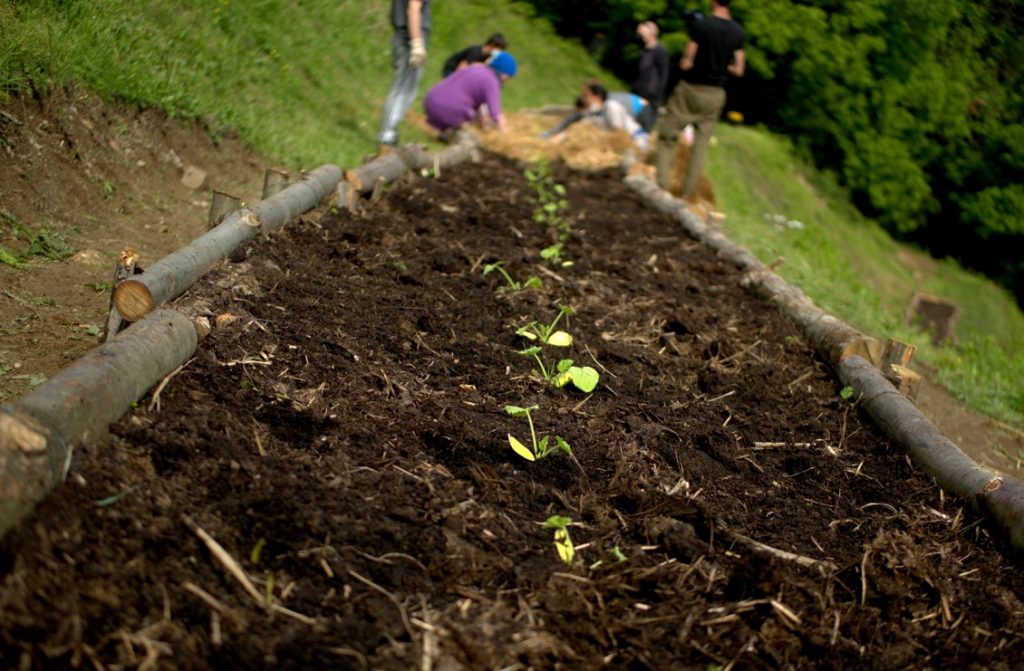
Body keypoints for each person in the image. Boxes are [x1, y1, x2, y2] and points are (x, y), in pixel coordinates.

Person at [653, 0, 744, 200]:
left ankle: (661, 188)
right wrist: (722, 67)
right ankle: (687, 195)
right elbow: (739, 69)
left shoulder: (701, 26)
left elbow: (686, 62)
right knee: (700, 146)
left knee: (667, 136)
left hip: (691, 89)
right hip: (716, 94)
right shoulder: (738, 32)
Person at [377, 0, 431, 152]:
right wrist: (417, 43)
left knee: (403, 87)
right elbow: (413, 8)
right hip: (409, 38)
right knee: (403, 89)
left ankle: (388, 134)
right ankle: (387, 136)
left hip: (402, 34)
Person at [423, 52, 518, 137]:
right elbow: (496, 113)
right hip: (447, 110)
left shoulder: (476, 68)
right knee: (471, 126)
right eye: (509, 77)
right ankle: (450, 134)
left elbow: (480, 108)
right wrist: (506, 133)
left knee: (472, 114)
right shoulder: (491, 81)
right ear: (505, 75)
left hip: (430, 101)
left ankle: (440, 126)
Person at [542, 82, 651, 152]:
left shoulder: (611, 106)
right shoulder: (597, 114)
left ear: (597, 97)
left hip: (636, 143)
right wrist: (560, 137)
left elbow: (618, 132)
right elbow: (580, 127)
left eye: (587, 96)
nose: (585, 99)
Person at [632, 20, 670, 127]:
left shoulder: (660, 51)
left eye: (643, 34)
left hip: (651, 95)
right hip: (637, 92)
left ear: (652, 33)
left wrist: (657, 95)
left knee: (644, 125)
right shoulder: (644, 50)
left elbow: (663, 75)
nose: (640, 36)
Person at [442, 33, 508, 78]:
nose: (499, 53)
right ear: (491, 45)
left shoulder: (490, 56)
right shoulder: (475, 52)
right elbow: (461, 67)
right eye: (499, 49)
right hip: (452, 68)